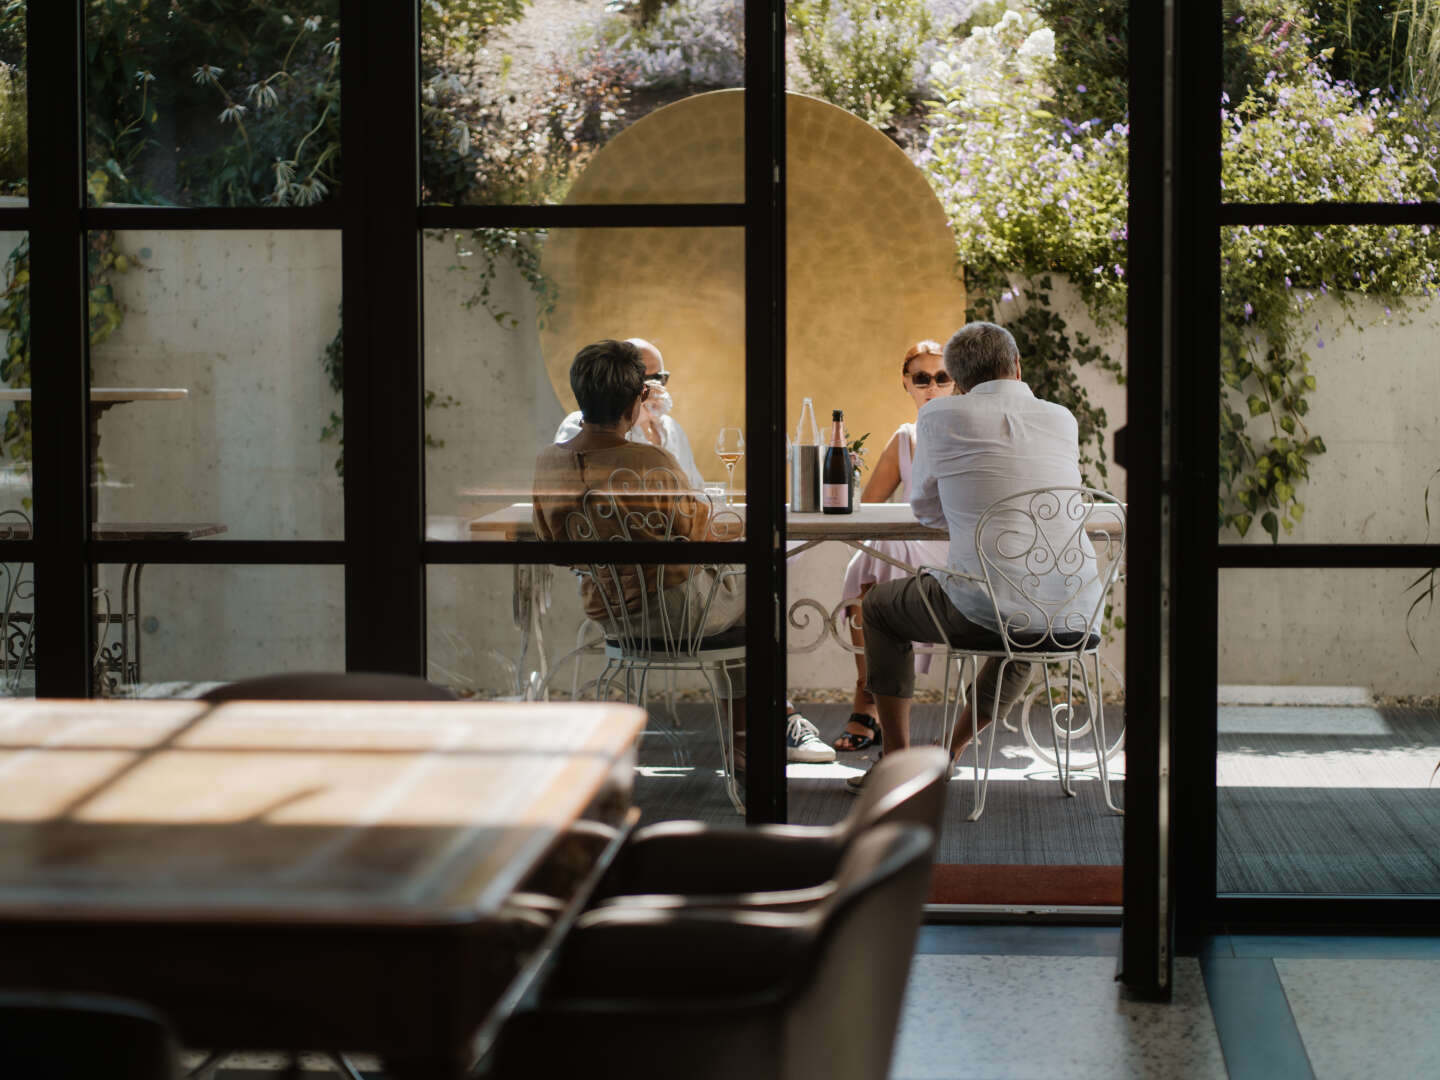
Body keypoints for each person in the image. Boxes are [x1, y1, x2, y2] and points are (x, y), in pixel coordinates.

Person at [536, 339, 833, 764]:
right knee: (763, 584)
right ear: (640, 397)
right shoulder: (650, 461)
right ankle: (752, 740)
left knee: (742, 601)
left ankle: (758, 732)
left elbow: (556, 547)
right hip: (677, 612)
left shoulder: (549, 461)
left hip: (608, 610)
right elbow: (699, 530)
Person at [847, 321, 1100, 792]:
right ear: (1017, 366)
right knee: (1027, 622)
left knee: (878, 606)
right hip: (1074, 609)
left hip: (982, 607)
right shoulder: (1062, 417)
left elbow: (924, 509)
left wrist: (971, 511)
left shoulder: (939, 419)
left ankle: (898, 765)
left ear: (958, 384)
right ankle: (949, 751)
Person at [832, 340, 958, 753]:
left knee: (874, 557)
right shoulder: (904, 437)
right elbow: (867, 507)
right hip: (903, 544)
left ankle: (869, 701)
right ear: (906, 383)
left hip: (954, 549)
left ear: (956, 382)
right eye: (921, 378)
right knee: (872, 552)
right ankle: (871, 695)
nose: (932, 386)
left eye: (942, 377)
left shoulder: (968, 432)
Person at [553, 337, 704, 488]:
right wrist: (630, 418)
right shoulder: (582, 423)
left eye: (659, 378)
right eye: (643, 380)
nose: (653, 387)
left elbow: (696, 487)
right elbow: (587, 483)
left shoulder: (672, 428)